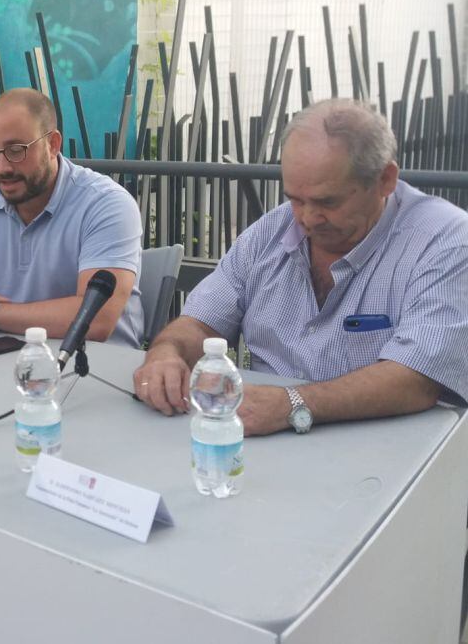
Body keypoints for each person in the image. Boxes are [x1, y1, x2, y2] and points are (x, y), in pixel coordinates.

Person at [134, 99, 468, 435]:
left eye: (328, 202)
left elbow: (417, 378)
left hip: (387, 449)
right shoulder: (269, 232)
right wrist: (166, 352)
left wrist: (292, 404)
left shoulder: (445, 241)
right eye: (294, 198)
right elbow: (201, 324)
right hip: (259, 438)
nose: (307, 218)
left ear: (385, 180)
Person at [0, 87, 144, 346]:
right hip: (6, 357)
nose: (3, 168)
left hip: (96, 367)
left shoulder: (106, 204)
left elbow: (96, 319)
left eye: (16, 150)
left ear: (53, 144)